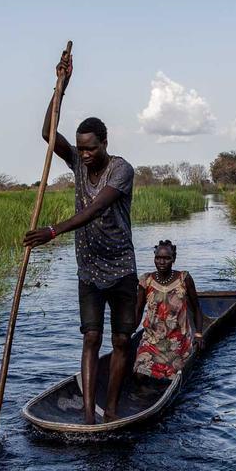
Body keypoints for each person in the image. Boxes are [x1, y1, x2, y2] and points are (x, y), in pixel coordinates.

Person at [23, 50, 136, 424]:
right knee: (91, 338)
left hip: (121, 268)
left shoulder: (121, 170)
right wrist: (61, 87)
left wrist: (53, 231)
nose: (84, 154)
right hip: (88, 270)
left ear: (105, 143)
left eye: (91, 148)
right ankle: (89, 415)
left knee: (121, 341)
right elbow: (46, 133)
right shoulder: (76, 161)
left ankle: (114, 408)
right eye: (81, 148)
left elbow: (96, 209)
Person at [133, 240, 205, 380]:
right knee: (139, 374)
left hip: (177, 341)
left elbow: (196, 308)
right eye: (158, 258)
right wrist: (128, 333)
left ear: (173, 259)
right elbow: (138, 310)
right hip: (151, 340)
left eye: (166, 258)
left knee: (172, 376)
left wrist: (198, 334)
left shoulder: (184, 279)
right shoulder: (145, 281)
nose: (161, 262)